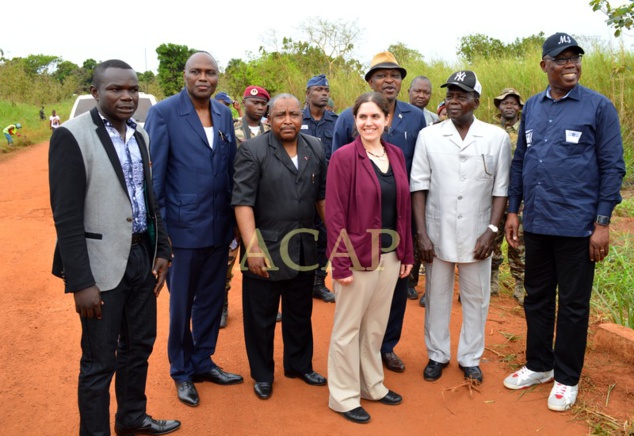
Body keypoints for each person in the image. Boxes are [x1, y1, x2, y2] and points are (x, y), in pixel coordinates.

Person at [48, 59, 180, 436]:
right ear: (95, 93)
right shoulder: (72, 136)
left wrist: (163, 250)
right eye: (116, 89)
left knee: (139, 346)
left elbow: (149, 199)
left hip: (142, 257)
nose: (127, 96)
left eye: (132, 89)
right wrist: (80, 281)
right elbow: (67, 218)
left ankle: (131, 417)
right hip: (100, 267)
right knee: (99, 361)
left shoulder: (141, 136)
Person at [502, 33, 626, 412]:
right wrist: (513, 210)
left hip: (577, 227)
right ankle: (539, 365)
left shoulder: (598, 107)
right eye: (562, 58)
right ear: (545, 66)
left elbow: (612, 167)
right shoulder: (534, 108)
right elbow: (521, 161)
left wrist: (602, 222)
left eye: (575, 58)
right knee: (537, 297)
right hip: (537, 222)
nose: (571, 64)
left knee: (573, 304)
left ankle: (567, 377)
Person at [145, 51, 243, 409]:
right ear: (184, 76)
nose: (204, 77)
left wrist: (234, 225)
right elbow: (154, 179)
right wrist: (162, 235)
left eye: (211, 72)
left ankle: (203, 361)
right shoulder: (164, 113)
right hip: (181, 232)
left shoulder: (222, 112)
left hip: (219, 229)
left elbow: (229, 169)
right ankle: (182, 372)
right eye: (196, 71)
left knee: (211, 301)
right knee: (181, 306)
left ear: (218, 77)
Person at [410, 70, 511, 384]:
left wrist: (492, 232)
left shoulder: (496, 137)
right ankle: (437, 355)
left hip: (479, 233)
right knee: (437, 297)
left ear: (475, 101)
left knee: (476, 298)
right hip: (437, 232)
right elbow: (418, 186)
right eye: (450, 95)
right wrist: (422, 233)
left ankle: (470, 358)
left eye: (461, 96)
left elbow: (501, 190)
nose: (453, 101)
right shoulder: (430, 135)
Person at [331, 51, 426, 373]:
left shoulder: (415, 117)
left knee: (395, 293)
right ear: (370, 81)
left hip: (399, 216)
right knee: (357, 304)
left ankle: (386, 348)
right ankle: (353, 364)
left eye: (395, 75)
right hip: (360, 225)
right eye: (381, 75)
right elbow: (338, 174)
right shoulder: (349, 116)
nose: (389, 80)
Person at [232, 93, 328, 400]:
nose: (288, 120)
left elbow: (320, 196)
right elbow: (243, 202)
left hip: (303, 247)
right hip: (266, 249)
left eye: (294, 114)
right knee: (260, 317)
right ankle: (262, 374)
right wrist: (253, 248)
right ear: (268, 119)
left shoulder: (315, 146)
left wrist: (337, 235)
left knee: (300, 312)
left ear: (302, 117)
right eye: (280, 115)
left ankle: (299, 365)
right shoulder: (252, 150)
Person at [326, 92, 413, 424]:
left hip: (390, 255)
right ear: (354, 121)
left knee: (375, 326)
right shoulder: (345, 158)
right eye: (363, 117)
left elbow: (402, 209)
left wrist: (405, 252)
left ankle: (372, 385)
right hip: (358, 255)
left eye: (376, 116)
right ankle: (344, 396)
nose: (369, 123)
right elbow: (334, 216)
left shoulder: (397, 154)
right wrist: (340, 262)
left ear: (387, 120)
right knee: (347, 328)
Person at [220, 85, 271, 328]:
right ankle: (222, 304)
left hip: (262, 206)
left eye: (263, 104)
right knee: (227, 259)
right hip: (233, 204)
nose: (259, 107)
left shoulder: (272, 130)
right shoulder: (229, 128)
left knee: (264, 257)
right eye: (255, 103)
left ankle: (265, 306)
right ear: (244, 103)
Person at [302, 74, 338, 303]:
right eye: (318, 89)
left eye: (326, 90)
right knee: (302, 235)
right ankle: (301, 282)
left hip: (328, 190)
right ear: (307, 94)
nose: (324, 93)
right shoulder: (296, 118)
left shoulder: (335, 122)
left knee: (325, 235)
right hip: (301, 189)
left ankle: (318, 281)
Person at [490, 88, 526, 304]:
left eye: (514, 102)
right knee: (491, 239)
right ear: (499, 106)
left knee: (518, 242)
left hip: (518, 196)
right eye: (505, 102)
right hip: (493, 195)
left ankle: (521, 285)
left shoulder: (526, 130)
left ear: (520, 107)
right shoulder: (489, 130)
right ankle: (491, 280)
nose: (509, 106)